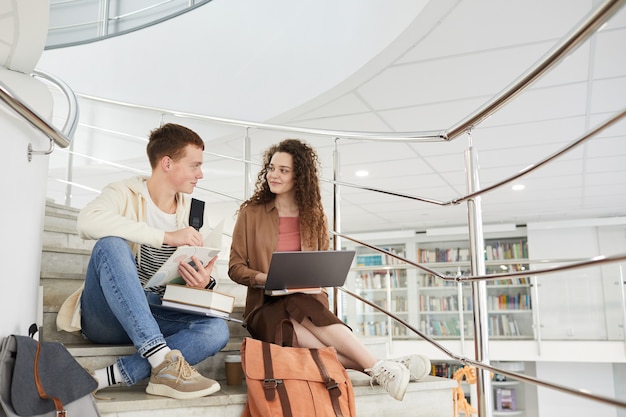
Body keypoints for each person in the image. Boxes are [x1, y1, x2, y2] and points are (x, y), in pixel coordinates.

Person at [228, 138, 430, 401]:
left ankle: (380, 368)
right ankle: (380, 364)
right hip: (265, 307)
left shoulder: (315, 215)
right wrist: (265, 278)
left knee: (298, 314)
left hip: (307, 303)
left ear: (299, 176)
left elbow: (320, 265)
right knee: (294, 316)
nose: (273, 175)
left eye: (283, 170)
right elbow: (234, 268)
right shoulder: (251, 213)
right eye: (271, 167)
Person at [66, 123, 230, 399]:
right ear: (167, 163)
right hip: (107, 316)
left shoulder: (194, 212)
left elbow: (183, 279)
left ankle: (116, 374)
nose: (200, 174)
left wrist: (203, 283)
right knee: (111, 244)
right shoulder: (123, 192)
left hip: (156, 311)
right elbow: (87, 221)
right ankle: (162, 360)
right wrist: (166, 236)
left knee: (216, 330)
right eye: (194, 165)